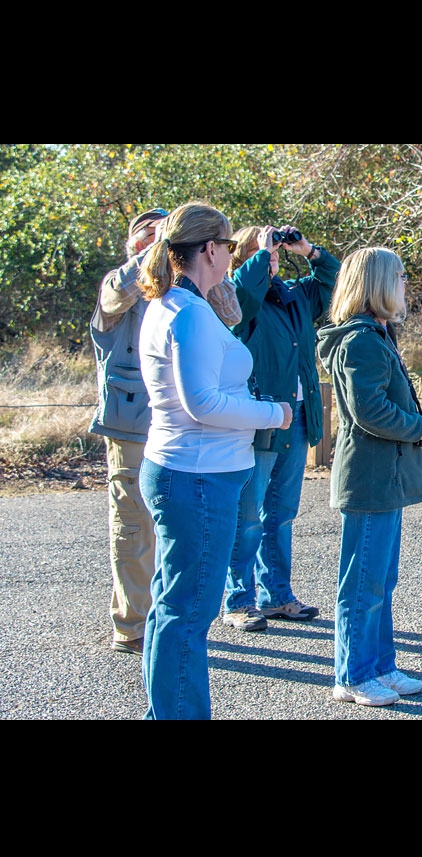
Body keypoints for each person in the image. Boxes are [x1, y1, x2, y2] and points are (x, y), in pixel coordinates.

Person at [135, 201, 293, 720]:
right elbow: (201, 402)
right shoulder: (189, 314)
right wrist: (272, 413)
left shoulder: (174, 305)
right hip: (198, 477)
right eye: (227, 246)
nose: (230, 255)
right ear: (209, 248)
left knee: (171, 606)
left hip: (180, 468)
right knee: (188, 614)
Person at [88, 207, 242, 657]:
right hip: (131, 424)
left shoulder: (186, 294)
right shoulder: (120, 285)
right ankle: (133, 624)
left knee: (176, 532)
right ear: (133, 245)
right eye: (145, 234)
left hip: (178, 427)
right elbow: (117, 294)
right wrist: (156, 249)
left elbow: (231, 311)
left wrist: (196, 259)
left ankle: (165, 619)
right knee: (134, 528)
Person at [316, 247, 422, 707]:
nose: (406, 282)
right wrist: (419, 428)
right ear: (379, 283)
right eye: (401, 276)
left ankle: (380, 666)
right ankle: (351, 675)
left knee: (380, 582)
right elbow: (368, 411)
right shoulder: (362, 340)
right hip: (369, 477)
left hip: (384, 476)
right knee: (363, 583)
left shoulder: (377, 335)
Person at [221, 224, 340, 632]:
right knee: (247, 515)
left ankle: (277, 596)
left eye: (275, 250)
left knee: (282, 514)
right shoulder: (236, 300)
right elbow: (243, 292)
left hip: (297, 420)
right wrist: (259, 252)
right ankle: (239, 600)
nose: (273, 255)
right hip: (259, 422)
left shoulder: (294, 297)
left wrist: (309, 251)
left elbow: (335, 282)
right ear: (244, 257)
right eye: (265, 250)